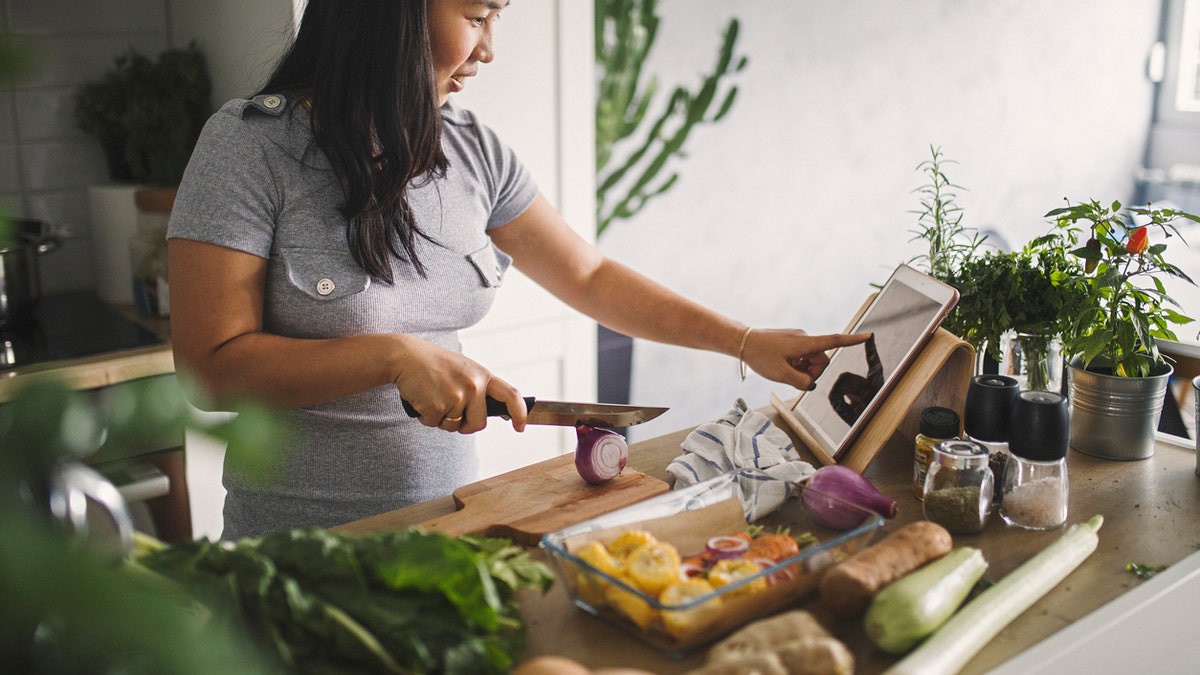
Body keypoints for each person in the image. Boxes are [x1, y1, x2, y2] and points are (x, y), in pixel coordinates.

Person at [166, 0, 870, 539]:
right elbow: (210, 367)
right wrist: (389, 355)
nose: (489, 49)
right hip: (297, 551)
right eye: (476, 15)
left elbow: (589, 277)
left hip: (448, 527)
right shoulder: (247, 147)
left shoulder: (475, 153)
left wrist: (745, 342)